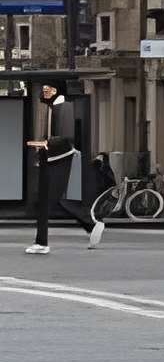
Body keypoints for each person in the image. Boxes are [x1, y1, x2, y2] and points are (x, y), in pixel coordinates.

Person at [24, 80, 100, 254]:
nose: (45, 92)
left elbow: (66, 137)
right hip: (50, 157)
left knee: (46, 201)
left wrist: (43, 143)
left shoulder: (63, 106)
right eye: (43, 89)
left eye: (48, 89)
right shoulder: (50, 107)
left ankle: (42, 242)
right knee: (50, 200)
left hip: (59, 158)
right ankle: (89, 224)